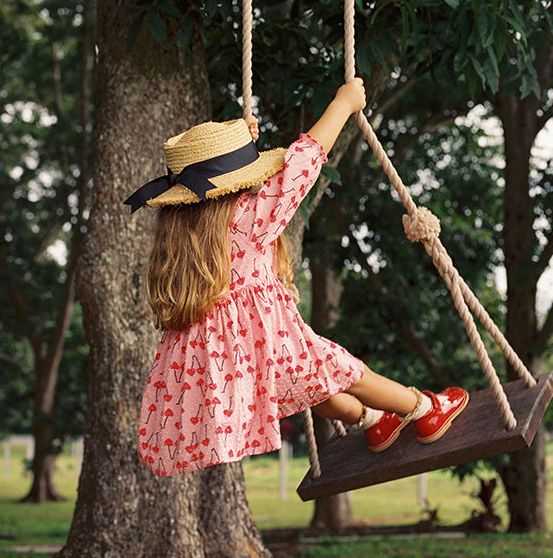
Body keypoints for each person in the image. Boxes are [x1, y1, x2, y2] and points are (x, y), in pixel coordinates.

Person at [126, 79, 468, 477]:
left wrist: (242, 142)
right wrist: (342, 104)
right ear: (236, 186)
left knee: (309, 386)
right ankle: (424, 410)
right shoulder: (249, 218)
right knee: (346, 371)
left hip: (229, 361)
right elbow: (304, 163)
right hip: (266, 340)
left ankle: (373, 421)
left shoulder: (180, 234)